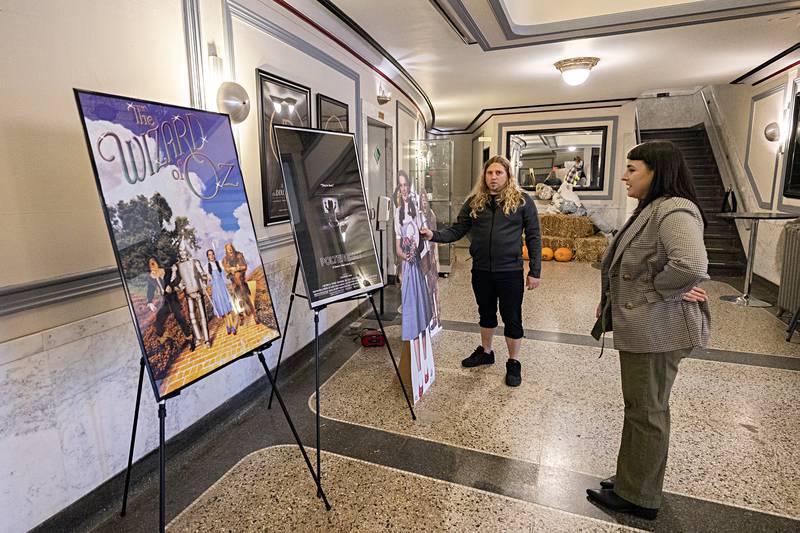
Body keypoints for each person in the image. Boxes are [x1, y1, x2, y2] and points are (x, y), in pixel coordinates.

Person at [586, 141, 711, 519]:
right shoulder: (654, 208)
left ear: (657, 171)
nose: (624, 176)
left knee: (647, 409)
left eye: (632, 169)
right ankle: (633, 476)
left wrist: (657, 289)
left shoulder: (674, 209)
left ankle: (638, 497)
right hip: (650, 326)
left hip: (659, 329)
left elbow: (689, 263)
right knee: (642, 407)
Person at [420, 155, 541, 387]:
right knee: (485, 313)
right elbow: (456, 231)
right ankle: (486, 352)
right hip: (482, 271)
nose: (493, 177)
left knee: (512, 317)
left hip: (510, 271)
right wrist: (433, 235)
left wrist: (535, 270)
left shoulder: (522, 201)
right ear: (484, 176)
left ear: (507, 175)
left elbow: (534, 237)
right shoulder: (475, 202)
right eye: (489, 173)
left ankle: (513, 362)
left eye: (498, 173)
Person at [394, 171, 432, 385]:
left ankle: (422, 360)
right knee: (410, 306)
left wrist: (419, 247)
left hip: (419, 262)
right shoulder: (398, 213)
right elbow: (398, 247)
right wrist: (405, 256)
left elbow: (424, 235)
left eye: (406, 185)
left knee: (421, 306)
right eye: (401, 186)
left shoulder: (417, 210)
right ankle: (413, 362)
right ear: (398, 190)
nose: (404, 189)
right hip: (408, 264)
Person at [145, 256, 193, 349]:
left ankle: (189, 338)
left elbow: (177, 278)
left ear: (157, 263)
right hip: (164, 302)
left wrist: (171, 286)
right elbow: (150, 290)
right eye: (150, 264)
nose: (153, 265)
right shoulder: (151, 277)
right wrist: (150, 302)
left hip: (172, 298)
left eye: (154, 263)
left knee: (180, 318)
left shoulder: (166, 271)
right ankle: (167, 338)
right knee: (158, 322)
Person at [222, 242, 259, 324]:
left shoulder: (239, 255)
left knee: (246, 298)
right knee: (236, 300)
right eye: (228, 249)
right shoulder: (224, 260)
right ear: (226, 250)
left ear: (233, 248)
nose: (230, 250)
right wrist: (230, 270)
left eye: (231, 248)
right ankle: (242, 318)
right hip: (234, 282)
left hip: (241, 281)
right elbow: (226, 271)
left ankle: (255, 315)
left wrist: (238, 268)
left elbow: (245, 266)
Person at [206, 249, 238, 336]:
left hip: (222, 287)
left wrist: (231, 273)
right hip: (215, 289)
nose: (211, 256)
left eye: (212, 254)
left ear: (214, 255)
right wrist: (207, 280)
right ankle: (227, 326)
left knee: (227, 308)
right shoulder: (207, 266)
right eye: (209, 255)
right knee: (222, 309)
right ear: (208, 256)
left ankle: (233, 326)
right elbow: (209, 280)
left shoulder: (219, 263)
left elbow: (225, 273)